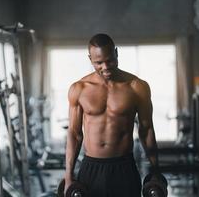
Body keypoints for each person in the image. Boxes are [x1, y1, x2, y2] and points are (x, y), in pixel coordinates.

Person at [64, 33, 159, 197]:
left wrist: (156, 170)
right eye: (98, 62)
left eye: (110, 60)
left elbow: (146, 130)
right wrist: (68, 176)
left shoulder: (137, 87)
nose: (105, 66)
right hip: (91, 168)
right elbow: (75, 134)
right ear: (90, 59)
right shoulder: (79, 89)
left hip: (124, 167)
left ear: (116, 52)